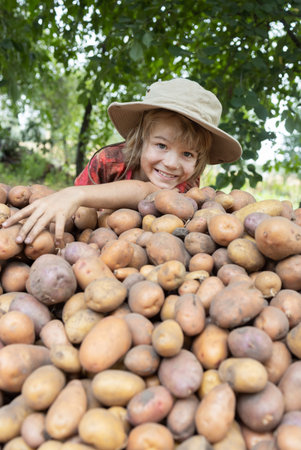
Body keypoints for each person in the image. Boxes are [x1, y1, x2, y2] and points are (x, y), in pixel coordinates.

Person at [3, 78, 242, 247]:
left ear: (199, 160)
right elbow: (72, 209)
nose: (171, 163)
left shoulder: (188, 182)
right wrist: (71, 197)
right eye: (161, 146)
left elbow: (149, 192)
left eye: (187, 154)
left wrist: (76, 195)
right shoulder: (107, 161)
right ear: (141, 139)